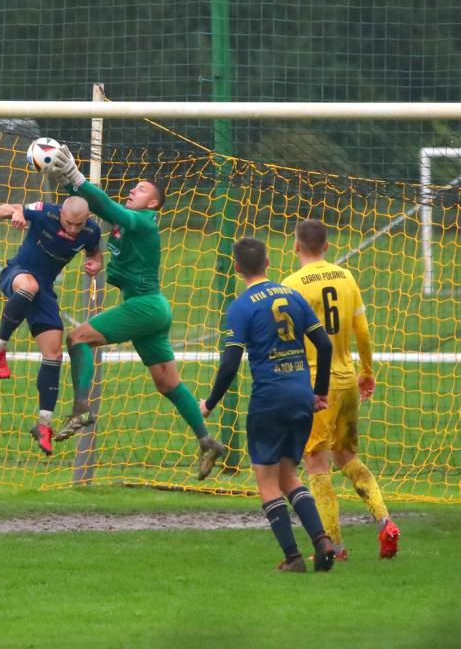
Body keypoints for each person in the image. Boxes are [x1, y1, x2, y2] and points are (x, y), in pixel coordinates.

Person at [49, 146, 226, 480]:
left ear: (154, 204)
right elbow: (93, 207)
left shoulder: (143, 221)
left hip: (143, 306)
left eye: (141, 189)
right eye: (134, 187)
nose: (133, 190)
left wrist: (76, 176)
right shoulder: (128, 224)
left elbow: (104, 204)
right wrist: (66, 182)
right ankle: (207, 441)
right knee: (167, 383)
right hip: (154, 308)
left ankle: (81, 409)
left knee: (77, 339)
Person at [200, 237, 335, 571]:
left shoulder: (242, 307)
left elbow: (231, 364)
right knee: (290, 475)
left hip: (269, 399)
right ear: (268, 263)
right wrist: (319, 392)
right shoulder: (293, 295)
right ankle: (323, 541)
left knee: (267, 481)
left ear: (236, 268)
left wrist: (210, 403)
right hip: (301, 396)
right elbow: (324, 345)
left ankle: (293, 558)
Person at [282, 219, 400, 560]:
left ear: (296, 246)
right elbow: (362, 332)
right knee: (347, 456)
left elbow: (288, 339)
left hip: (317, 386)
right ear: (327, 246)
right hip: (347, 379)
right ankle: (384, 520)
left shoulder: (292, 285)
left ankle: (333, 544)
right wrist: (366, 371)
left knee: (316, 463)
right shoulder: (345, 277)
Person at [0, 196, 103, 455]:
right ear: (61, 213)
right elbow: (1, 208)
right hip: (19, 272)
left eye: (79, 224)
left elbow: (95, 252)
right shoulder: (44, 213)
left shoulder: (91, 231)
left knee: (54, 354)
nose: (73, 229)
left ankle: (44, 424)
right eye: (69, 223)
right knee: (29, 286)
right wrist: (15, 212)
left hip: (45, 290)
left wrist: (95, 263)